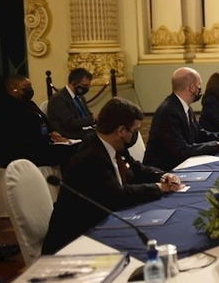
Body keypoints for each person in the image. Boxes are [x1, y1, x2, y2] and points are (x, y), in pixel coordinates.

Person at [41, 98, 184, 254]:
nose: (135, 136)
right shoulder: (91, 156)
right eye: (134, 131)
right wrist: (159, 188)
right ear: (121, 131)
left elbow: (137, 168)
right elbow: (118, 194)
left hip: (104, 225)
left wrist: (163, 176)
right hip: (74, 243)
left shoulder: (114, 145)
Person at [143, 67, 219, 171]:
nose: (201, 90)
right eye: (199, 86)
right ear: (192, 88)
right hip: (165, 170)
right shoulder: (169, 112)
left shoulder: (185, 107)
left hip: (183, 163)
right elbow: (181, 150)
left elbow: (199, 133)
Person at [0, 75, 76, 170]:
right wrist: (48, 139)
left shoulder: (29, 103)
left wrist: (53, 133)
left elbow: (43, 121)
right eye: (25, 87)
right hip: (18, 152)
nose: (30, 89)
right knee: (67, 152)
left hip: (37, 145)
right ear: (13, 89)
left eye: (30, 86)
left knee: (73, 148)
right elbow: (23, 134)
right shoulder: (6, 108)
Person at [47, 67, 96, 140]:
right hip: (70, 135)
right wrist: (92, 118)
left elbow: (87, 115)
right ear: (74, 83)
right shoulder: (58, 99)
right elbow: (70, 123)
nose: (87, 88)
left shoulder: (80, 97)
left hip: (84, 132)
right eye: (85, 85)